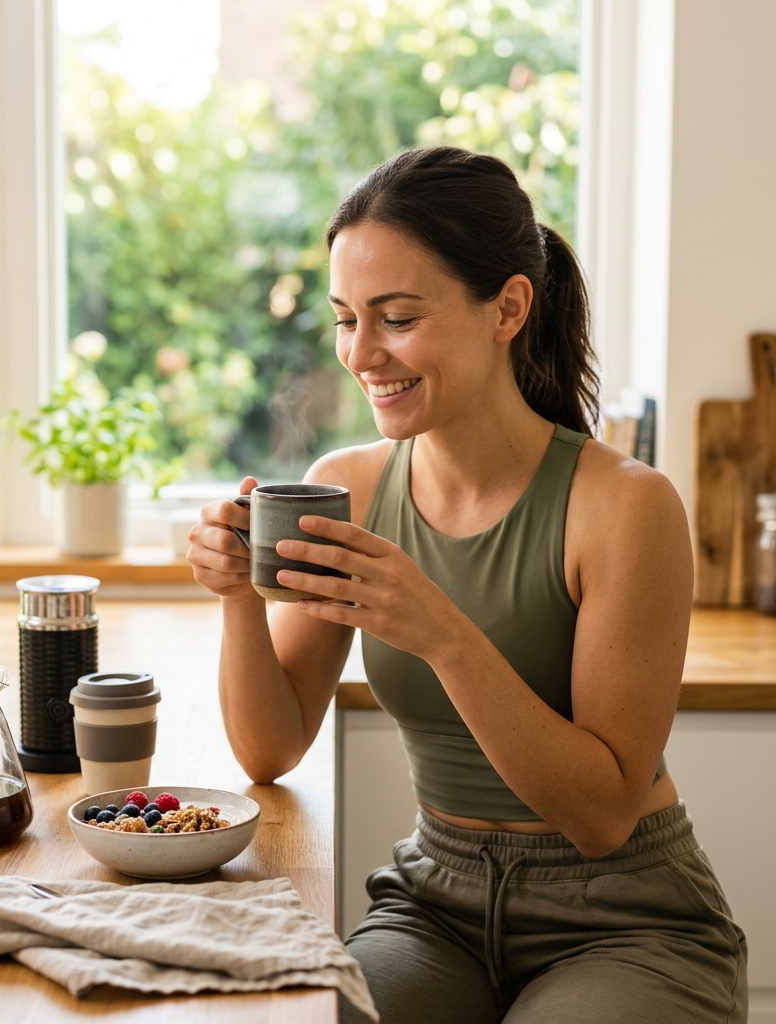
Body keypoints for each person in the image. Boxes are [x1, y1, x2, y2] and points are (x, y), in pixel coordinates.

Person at [187, 146, 746, 1023]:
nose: (362, 353)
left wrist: (441, 632)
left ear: (508, 309)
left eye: (397, 318)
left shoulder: (625, 507)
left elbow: (603, 814)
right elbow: (271, 747)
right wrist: (238, 600)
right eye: (345, 319)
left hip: (625, 918)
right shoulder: (350, 487)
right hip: (435, 905)